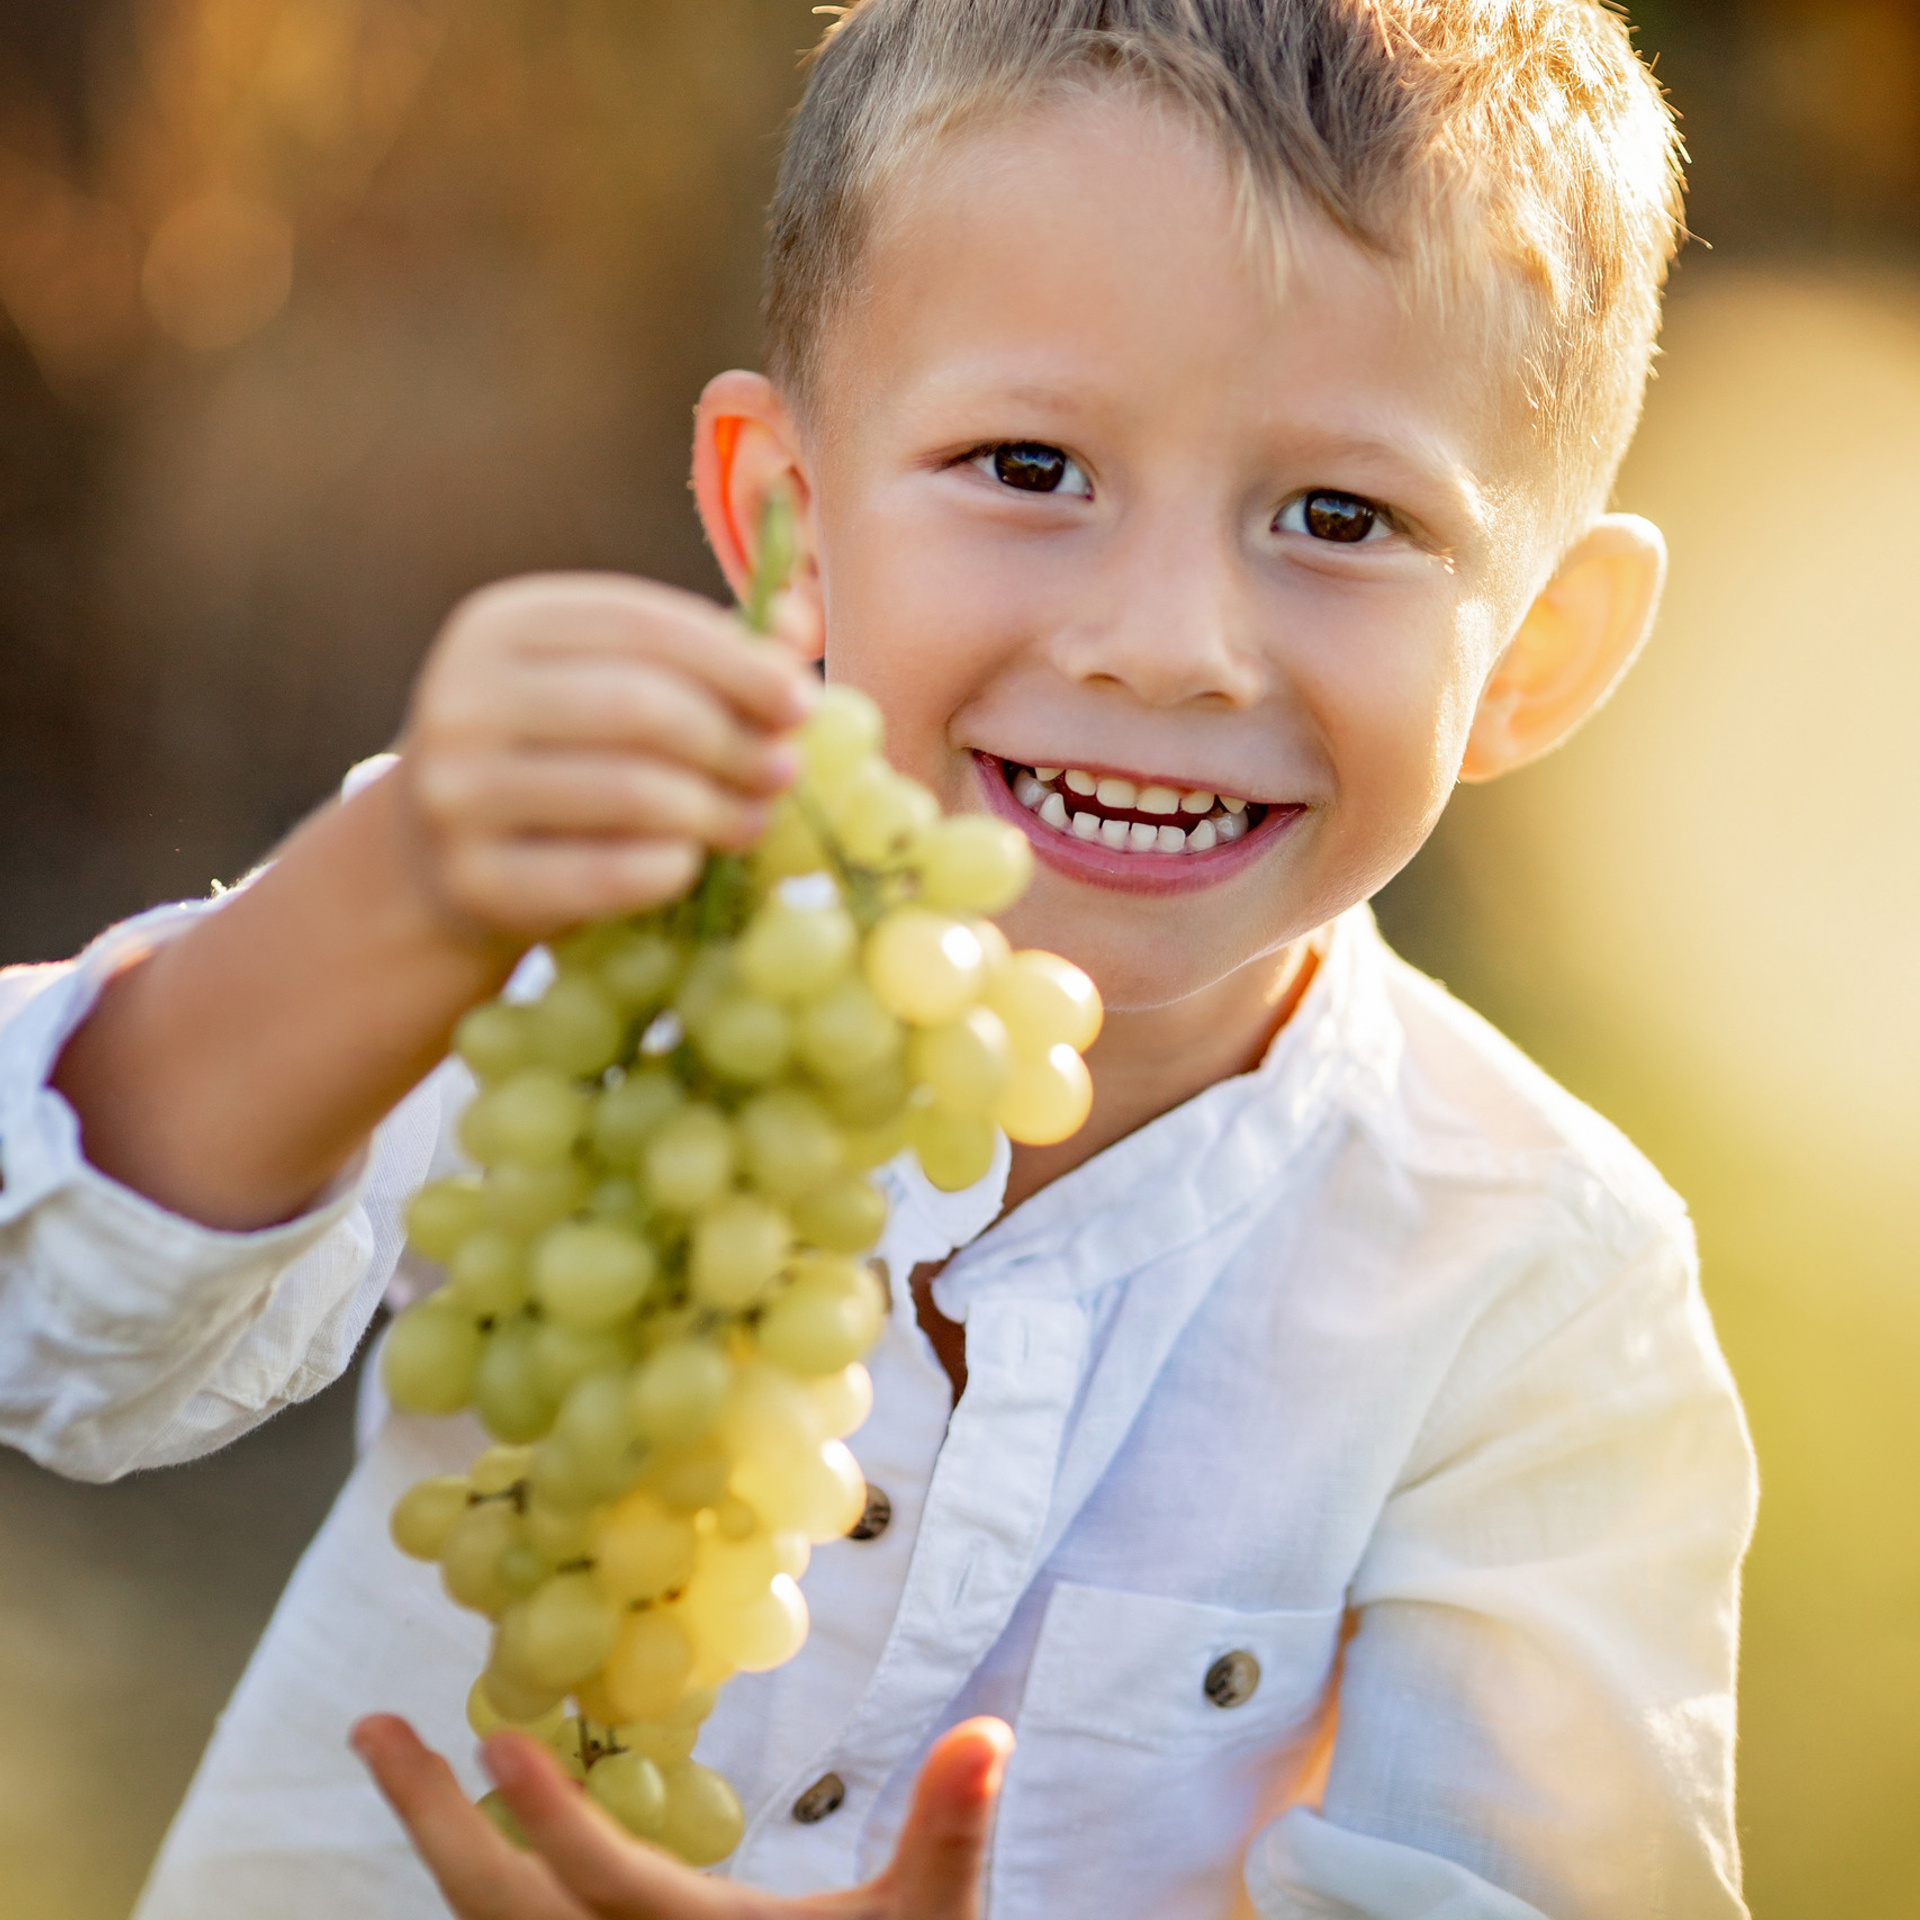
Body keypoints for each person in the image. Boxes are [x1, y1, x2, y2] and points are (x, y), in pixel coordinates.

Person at [0, 2, 1758, 1916]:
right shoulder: (571, 926)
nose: (1165, 643)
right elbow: (60, 1346)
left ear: (1538, 652)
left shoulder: (1540, 1296)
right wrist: (383, 898)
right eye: (1028, 465)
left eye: (1343, 517)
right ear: (789, 519)